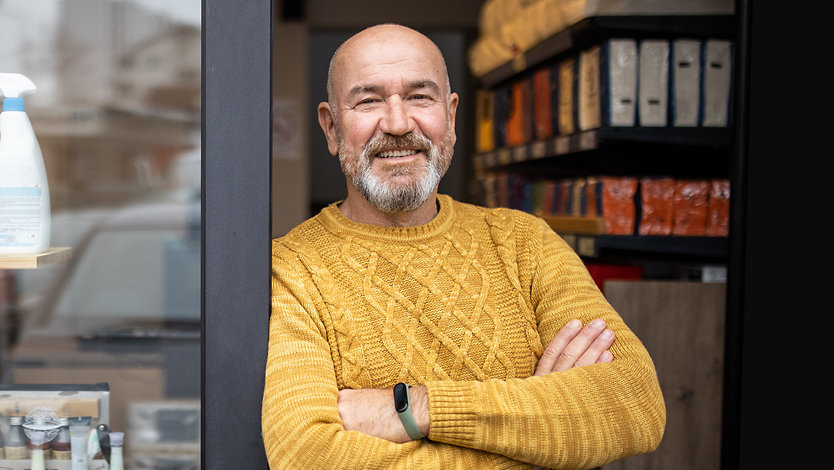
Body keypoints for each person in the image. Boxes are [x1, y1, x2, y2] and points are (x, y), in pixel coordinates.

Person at [262, 23, 665, 469]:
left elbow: (636, 403)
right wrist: (543, 434)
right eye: (368, 100)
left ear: (450, 117)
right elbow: (309, 456)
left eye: (420, 97)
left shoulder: (525, 243)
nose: (398, 123)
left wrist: (414, 408)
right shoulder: (291, 268)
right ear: (332, 127)